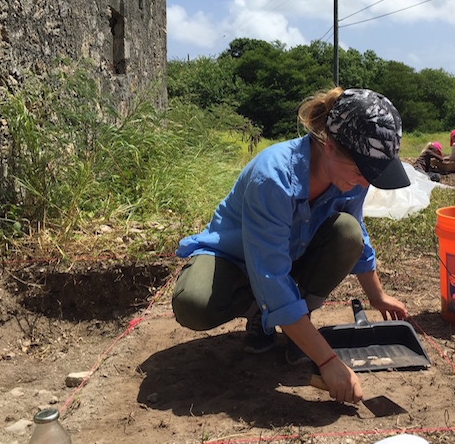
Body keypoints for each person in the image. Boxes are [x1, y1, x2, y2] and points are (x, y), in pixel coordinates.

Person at [171, 87, 410, 405]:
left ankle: (298, 318)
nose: (366, 182)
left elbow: (357, 236)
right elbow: (269, 274)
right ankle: (262, 311)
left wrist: (377, 296)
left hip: (288, 253)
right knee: (194, 302)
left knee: (348, 232)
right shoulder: (274, 178)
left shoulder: (350, 179)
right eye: (361, 171)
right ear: (330, 146)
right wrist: (327, 362)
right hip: (233, 257)